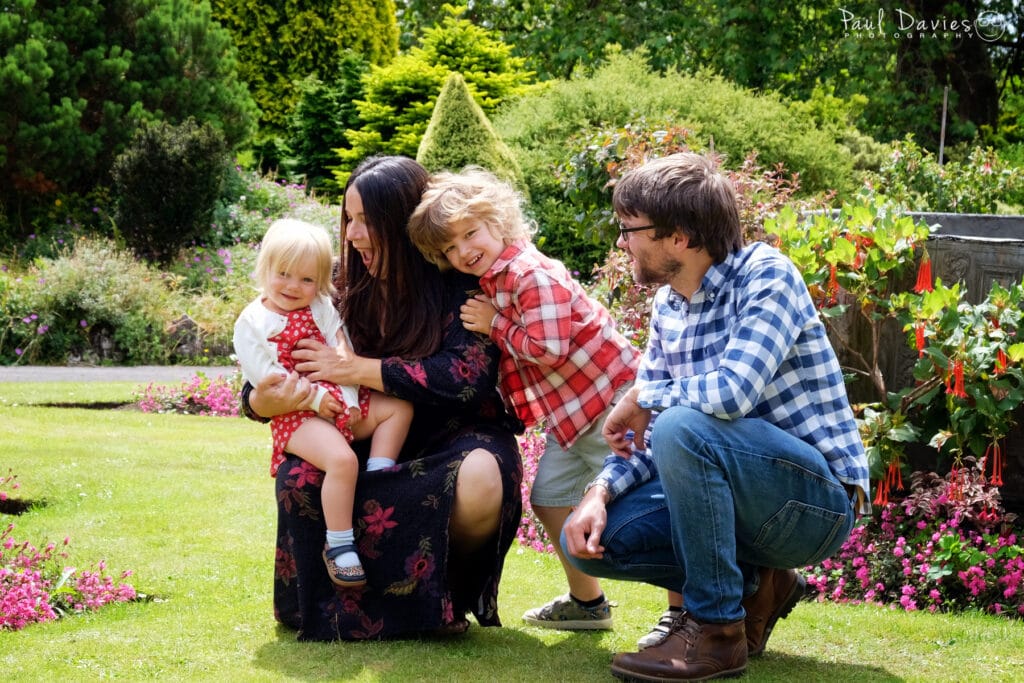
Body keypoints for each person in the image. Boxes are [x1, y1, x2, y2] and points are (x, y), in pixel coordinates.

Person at [562, 152, 869, 681]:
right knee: (594, 541)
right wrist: (600, 492)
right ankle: (758, 583)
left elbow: (731, 394)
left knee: (682, 424)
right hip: (739, 498)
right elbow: (654, 435)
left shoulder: (766, 276)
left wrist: (645, 394)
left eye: (628, 229)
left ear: (679, 237)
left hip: (813, 504)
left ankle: (717, 631)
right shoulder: (668, 305)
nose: (621, 243)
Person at [240, 156, 524, 641]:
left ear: (403, 223)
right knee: (301, 474)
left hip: (452, 433)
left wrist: (357, 369)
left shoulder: (460, 282)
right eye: (348, 218)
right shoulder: (332, 284)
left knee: (480, 477)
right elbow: (267, 366)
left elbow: (467, 377)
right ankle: (331, 604)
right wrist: (261, 402)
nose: (352, 234)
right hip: (363, 428)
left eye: (366, 221)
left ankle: (440, 600)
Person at [408, 168, 640, 631]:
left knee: (655, 498)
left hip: (611, 403)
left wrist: (494, 324)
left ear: (498, 220)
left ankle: (689, 611)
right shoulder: (496, 279)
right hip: (573, 416)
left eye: (470, 233)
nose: (463, 251)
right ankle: (588, 603)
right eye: (449, 248)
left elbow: (548, 348)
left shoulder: (529, 273)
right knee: (550, 497)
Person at [233, 218, 413, 587]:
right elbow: (268, 379)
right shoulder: (252, 322)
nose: (292, 286)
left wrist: (349, 400)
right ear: (265, 268)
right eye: (283, 274)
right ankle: (340, 544)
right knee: (342, 461)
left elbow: (342, 351)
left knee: (398, 408)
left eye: (306, 279)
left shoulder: (320, 306)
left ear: (320, 281)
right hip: (299, 416)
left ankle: (377, 477)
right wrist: (318, 400)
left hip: (338, 401)